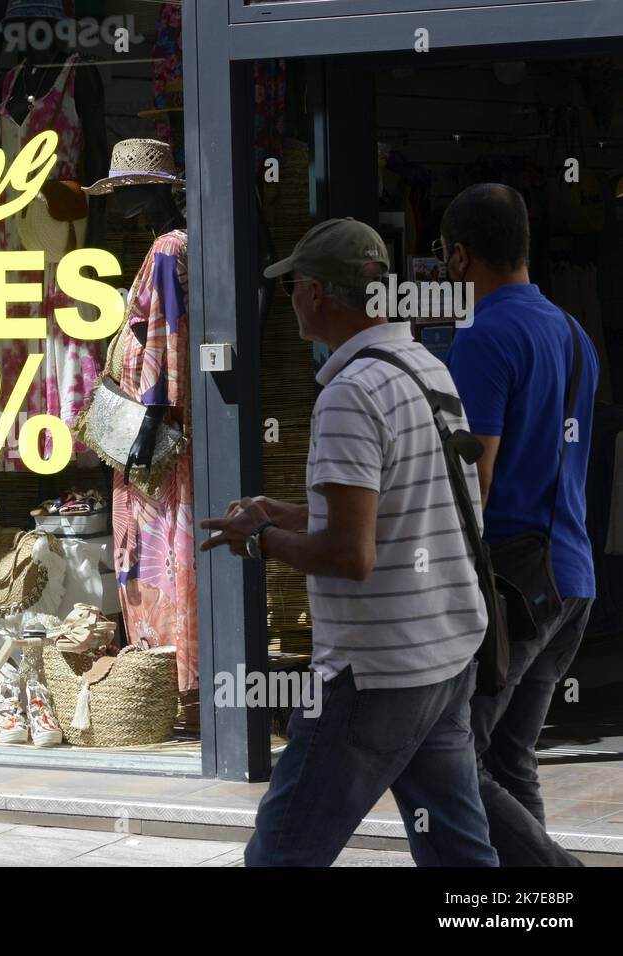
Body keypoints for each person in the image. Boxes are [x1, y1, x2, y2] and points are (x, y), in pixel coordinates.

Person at [201, 218, 497, 866]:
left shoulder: (349, 393)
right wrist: (279, 512)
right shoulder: (424, 368)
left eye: (292, 289)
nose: (292, 302)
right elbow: (397, 513)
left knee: (281, 855)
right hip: (443, 657)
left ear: (314, 292)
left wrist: (260, 541)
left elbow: (350, 555)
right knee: (461, 857)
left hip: (374, 674)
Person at [442, 183, 598, 866]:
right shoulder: (572, 331)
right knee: (511, 761)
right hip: (571, 578)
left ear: (457, 258)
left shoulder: (482, 337)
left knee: (451, 756)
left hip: (512, 586)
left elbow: (475, 475)